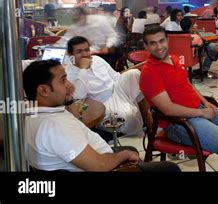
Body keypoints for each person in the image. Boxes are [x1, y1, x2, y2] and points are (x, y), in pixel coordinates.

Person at [139, 26, 218, 172]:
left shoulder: (173, 58)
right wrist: (202, 113)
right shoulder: (149, 72)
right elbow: (168, 109)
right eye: (153, 43)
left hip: (198, 110)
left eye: (161, 41)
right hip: (179, 123)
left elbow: (188, 85)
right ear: (146, 46)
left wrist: (205, 103)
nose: (159, 47)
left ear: (167, 40)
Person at [23, 60, 179, 172]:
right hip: (107, 165)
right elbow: (99, 166)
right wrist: (123, 155)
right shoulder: (56, 126)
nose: (70, 85)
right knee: (170, 168)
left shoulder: (35, 112)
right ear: (43, 90)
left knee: (131, 149)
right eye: (63, 80)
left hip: (96, 155)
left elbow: (77, 120)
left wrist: (68, 96)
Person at [65, 36, 152, 136]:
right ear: (71, 55)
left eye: (86, 50)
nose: (84, 54)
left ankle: (148, 119)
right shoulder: (69, 73)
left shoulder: (97, 59)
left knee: (134, 73)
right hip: (101, 103)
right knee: (128, 114)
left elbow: (116, 77)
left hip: (116, 90)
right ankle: (137, 134)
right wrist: (83, 69)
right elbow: (79, 96)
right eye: (79, 52)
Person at [58, 7, 123, 65]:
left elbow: (112, 35)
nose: (77, 22)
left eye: (79, 18)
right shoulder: (74, 26)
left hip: (106, 52)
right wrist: (57, 48)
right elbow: (65, 40)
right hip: (89, 54)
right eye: (75, 20)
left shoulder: (100, 20)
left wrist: (108, 46)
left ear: (84, 15)